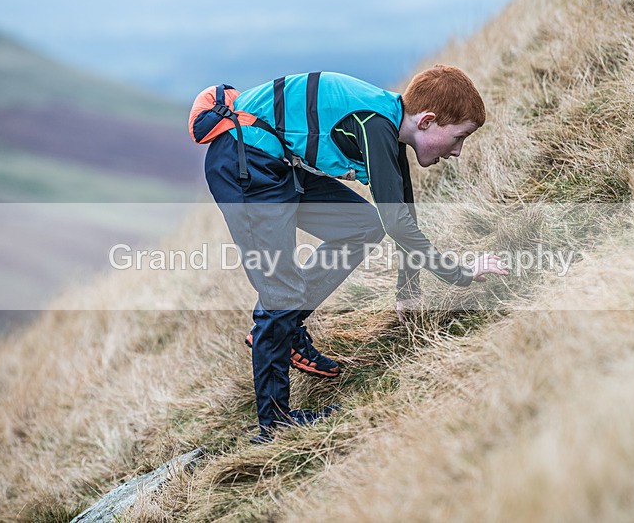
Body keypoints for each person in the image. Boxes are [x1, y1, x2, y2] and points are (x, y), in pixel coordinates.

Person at [190, 65, 508, 443]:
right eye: (459, 137)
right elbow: (400, 226)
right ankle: (273, 425)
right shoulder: (375, 124)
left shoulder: (387, 126)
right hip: (245, 164)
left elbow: (401, 214)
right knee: (281, 293)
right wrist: (461, 274)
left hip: (274, 161)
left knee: (362, 225)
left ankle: (284, 329)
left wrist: (408, 291)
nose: (458, 151)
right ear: (427, 122)